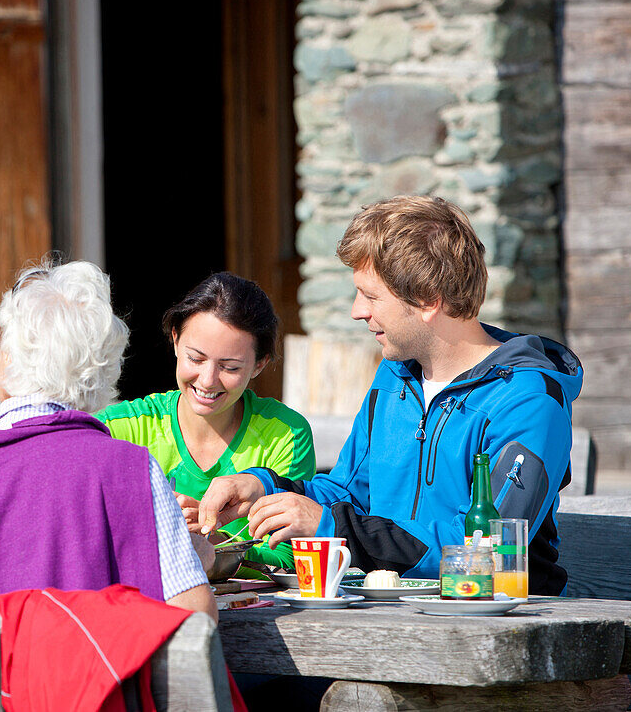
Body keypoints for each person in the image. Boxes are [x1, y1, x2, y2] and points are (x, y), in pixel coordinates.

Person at [198, 196, 581, 595]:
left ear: (429, 300)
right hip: (387, 614)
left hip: (499, 623)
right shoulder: (395, 378)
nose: (356, 311)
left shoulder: (530, 401)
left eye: (371, 296)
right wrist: (266, 489)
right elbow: (349, 495)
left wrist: (330, 527)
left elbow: (489, 548)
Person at [0, 259, 217, 619]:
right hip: (76, 675)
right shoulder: (130, 470)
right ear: (106, 373)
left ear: (6, 362)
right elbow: (195, 619)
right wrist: (193, 557)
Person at [97, 272, 316, 570]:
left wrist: (213, 543)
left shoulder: (286, 433)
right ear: (175, 340)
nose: (208, 380)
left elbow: (291, 558)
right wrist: (144, 521)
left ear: (259, 365)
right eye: (196, 359)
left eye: (230, 367)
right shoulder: (118, 427)